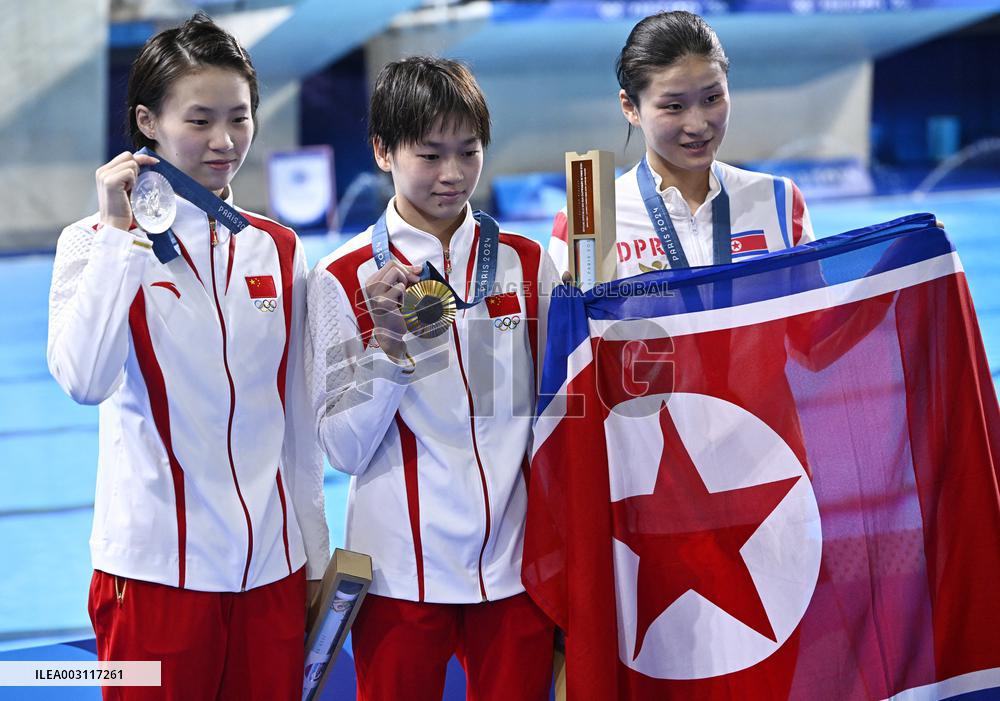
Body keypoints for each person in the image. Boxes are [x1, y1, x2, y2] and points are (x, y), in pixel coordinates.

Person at [47, 13, 328, 700]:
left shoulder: (279, 249)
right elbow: (84, 379)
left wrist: (314, 556)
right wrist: (119, 234)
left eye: (239, 117)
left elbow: (297, 423)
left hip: (270, 573)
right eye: (200, 120)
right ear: (147, 121)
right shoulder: (91, 241)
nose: (224, 141)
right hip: (153, 580)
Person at [307, 57, 559, 701]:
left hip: (514, 567)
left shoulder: (528, 264)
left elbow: (558, 415)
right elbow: (343, 450)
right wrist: (388, 346)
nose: (453, 174)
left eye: (468, 151)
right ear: (382, 151)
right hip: (400, 575)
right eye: (429, 155)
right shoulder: (340, 278)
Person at [549, 10, 814, 277]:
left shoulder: (779, 201)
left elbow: (814, 304)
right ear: (630, 107)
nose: (697, 125)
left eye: (712, 98)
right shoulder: (588, 223)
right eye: (674, 106)